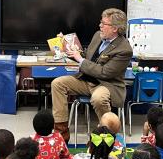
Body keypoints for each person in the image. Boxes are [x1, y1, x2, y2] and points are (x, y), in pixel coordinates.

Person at [51, 8, 133, 142]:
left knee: (98, 98)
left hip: (107, 85)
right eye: (101, 22)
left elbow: (104, 72)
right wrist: (67, 46)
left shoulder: (124, 49)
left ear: (115, 29)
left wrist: (80, 59)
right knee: (58, 84)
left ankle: (104, 136)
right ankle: (61, 133)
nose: (100, 26)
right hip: (86, 80)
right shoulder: (97, 35)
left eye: (104, 24)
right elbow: (86, 57)